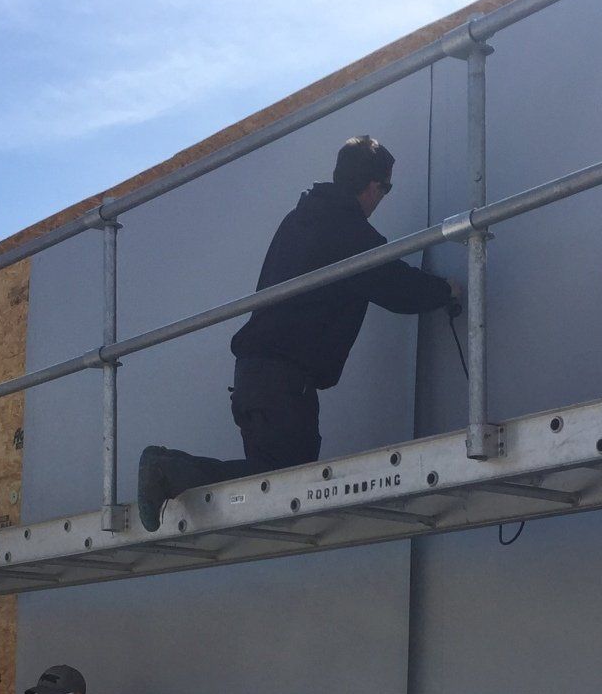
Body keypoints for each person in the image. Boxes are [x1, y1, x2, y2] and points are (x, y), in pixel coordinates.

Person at [135, 135, 461, 531]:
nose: (384, 198)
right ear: (373, 185)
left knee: (266, 483)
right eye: (387, 188)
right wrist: (447, 290)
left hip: (256, 376)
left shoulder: (301, 218)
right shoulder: (348, 231)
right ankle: (166, 469)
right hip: (283, 382)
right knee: (285, 481)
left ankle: (168, 470)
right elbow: (394, 286)